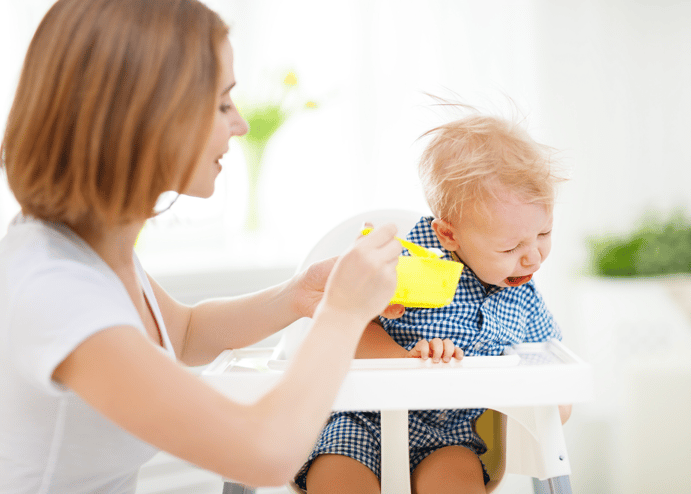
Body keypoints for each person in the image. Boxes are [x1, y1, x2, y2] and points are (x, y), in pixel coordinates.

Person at [0, 0, 405, 492]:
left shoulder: (91, 251)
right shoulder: (54, 289)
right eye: (221, 103)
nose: (240, 124)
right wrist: (342, 314)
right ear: (146, 115)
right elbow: (266, 454)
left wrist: (298, 296)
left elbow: (185, 335)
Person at [296, 111, 572, 494]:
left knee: (457, 477)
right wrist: (408, 362)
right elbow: (346, 329)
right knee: (338, 478)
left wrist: (552, 402)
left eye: (544, 233)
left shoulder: (523, 297)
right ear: (448, 235)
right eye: (510, 247)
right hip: (359, 417)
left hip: (449, 433)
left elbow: (548, 362)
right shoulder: (402, 266)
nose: (533, 258)